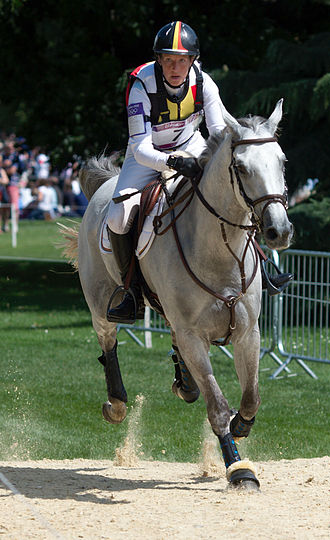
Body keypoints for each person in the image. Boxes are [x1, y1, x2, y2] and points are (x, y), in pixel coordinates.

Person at [106, 21, 226, 324]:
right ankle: (131, 291)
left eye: (182, 60)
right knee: (118, 217)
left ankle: (258, 268)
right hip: (147, 155)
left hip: (192, 144)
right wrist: (172, 163)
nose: (175, 67)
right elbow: (141, 149)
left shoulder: (205, 82)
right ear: (158, 59)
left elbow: (219, 131)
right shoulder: (141, 84)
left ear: (193, 61)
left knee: (232, 190)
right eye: (169, 60)